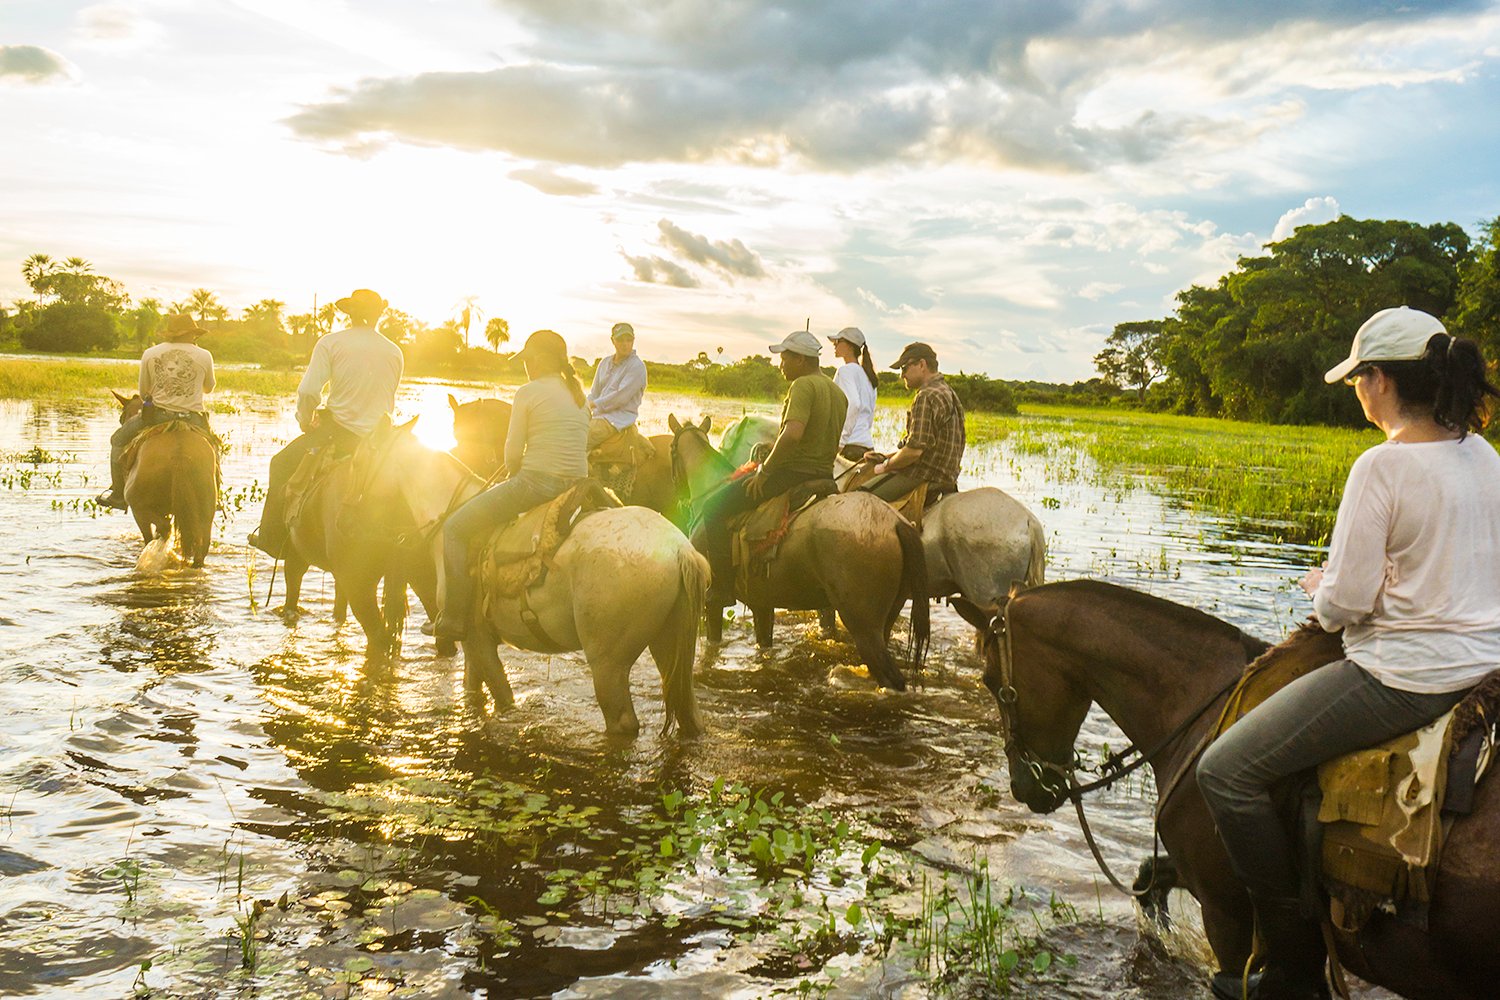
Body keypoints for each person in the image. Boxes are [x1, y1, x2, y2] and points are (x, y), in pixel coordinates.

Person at [1197, 306, 1500, 1000]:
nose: (1356, 390)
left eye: (1358, 376)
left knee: (1227, 771)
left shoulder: (1382, 467)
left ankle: (1295, 971)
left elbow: (1344, 609)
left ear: (1381, 380)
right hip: (1487, 668)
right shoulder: (1482, 452)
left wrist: (1325, 585)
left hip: (1405, 678)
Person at [434, 329, 590, 641]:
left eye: (528, 360)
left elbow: (512, 454)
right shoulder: (580, 398)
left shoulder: (528, 393)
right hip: (577, 487)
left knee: (454, 527)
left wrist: (513, 473)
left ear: (540, 360)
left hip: (536, 484)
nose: (526, 366)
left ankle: (452, 617)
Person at [692, 330, 846, 606]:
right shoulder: (837, 392)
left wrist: (765, 470)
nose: (781, 365)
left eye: (785, 358)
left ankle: (723, 588)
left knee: (713, 507)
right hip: (825, 475)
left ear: (800, 359)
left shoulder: (802, 385)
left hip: (790, 475)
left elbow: (792, 435)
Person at [248, 288, 403, 558]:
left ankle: (272, 540)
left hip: (339, 432)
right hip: (382, 440)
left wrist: (305, 421)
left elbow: (309, 392)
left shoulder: (331, 343)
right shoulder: (394, 351)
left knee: (281, 464)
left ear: (349, 314)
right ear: (379, 314)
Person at [98, 313, 216, 509]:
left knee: (117, 440)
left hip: (157, 418)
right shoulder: (205, 355)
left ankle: (118, 494)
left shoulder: (150, 353)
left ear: (171, 334)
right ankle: (215, 496)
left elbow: (144, 393)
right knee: (214, 448)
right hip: (193, 419)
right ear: (193, 334)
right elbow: (209, 388)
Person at [858, 341, 965, 502]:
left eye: (904, 368)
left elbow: (914, 452)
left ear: (922, 364)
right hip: (947, 477)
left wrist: (885, 466)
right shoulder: (948, 391)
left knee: (860, 499)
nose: (902, 375)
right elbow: (927, 445)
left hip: (923, 475)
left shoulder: (925, 396)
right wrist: (886, 457)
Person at [586, 322, 647, 449]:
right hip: (598, 417)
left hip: (617, 421)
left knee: (577, 437)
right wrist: (582, 406)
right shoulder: (604, 363)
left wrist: (593, 405)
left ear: (633, 340)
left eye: (628, 340)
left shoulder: (637, 366)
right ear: (612, 340)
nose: (625, 344)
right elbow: (594, 393)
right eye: (620, 339)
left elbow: (619, 398)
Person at [829, 326, 878, 462]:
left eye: (838, 342)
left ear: (849, 346)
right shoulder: (869, 376)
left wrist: (841, 442)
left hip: (850, 447)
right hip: (867, 446)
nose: (834, 345)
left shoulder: (846, 371)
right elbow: (869, 414)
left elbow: (854, 404)